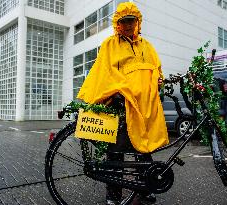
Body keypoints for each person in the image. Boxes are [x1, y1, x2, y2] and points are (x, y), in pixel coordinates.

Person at [77, 2, 169, 204]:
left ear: (138, 22)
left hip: (144, 105)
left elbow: (156, 69)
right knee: (115, 154)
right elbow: (105, 72)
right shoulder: (110, 44)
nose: (128, 25)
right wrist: (120, 91)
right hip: (119, 105)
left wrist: (159, 79)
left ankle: (146, 189)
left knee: (144, 149)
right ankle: (113, 197)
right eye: (123, 22)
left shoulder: (147, 45)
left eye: (131, 21)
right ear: (117, 24)